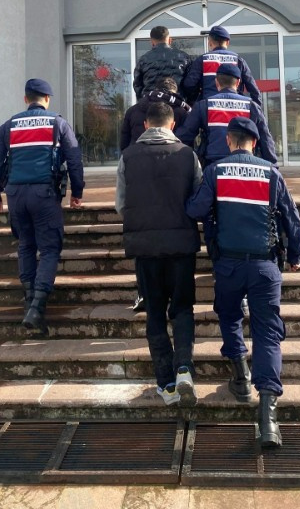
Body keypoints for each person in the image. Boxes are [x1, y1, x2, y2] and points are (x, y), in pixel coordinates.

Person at [186, 117, 300, 449]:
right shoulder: (271, 173)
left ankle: (240, 375)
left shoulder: (215, 171)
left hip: (228, 265)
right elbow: (291, 218)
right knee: (268, 332)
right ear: (254, 142)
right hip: (265, 266)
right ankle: (267, 418)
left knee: (229, 315)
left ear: (229, 141)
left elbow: (195, 209)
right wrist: (296, 254)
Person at [116, 101, 201, 406]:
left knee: (154, 312)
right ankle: (183, 369)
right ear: (173, 125)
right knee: (182, 309)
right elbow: (198, 199)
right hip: (181, 247)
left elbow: (121, 204)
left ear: (145, 125)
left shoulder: (128, 157)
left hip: (145, 248)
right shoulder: (188, 155)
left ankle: (165, 384)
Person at [0, 78, 84, 336]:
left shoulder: (8, 126)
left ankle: (30, 302)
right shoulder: (58, 123)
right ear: (47, 99)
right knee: (50, 249)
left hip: (16, 195)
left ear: (25, 99)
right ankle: (37, 307)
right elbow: (74, 159)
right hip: (45, 194)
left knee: (26, 245)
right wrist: (78, 192)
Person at [119, 76, 191, 313]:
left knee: (145, 256)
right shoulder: (182, 109)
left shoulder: (133, 110)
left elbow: (123, 143)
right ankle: (175, 306)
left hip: (138, 171)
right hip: (176, 180)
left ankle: (144, 296)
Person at [176, 63, 278, 168]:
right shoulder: (251, 106)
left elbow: (186, 134)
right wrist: (273, 166)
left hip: (213, 164)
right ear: (238, 82)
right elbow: (265, 138)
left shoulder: (204, 105)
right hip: (246, 164)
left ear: (216, 82)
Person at [180, 26, 261, 105]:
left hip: (209, 109)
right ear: (227, 42)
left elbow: (189, 84)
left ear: (210, 42)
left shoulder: (202, 60)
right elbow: (253, 89)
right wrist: (256, 110)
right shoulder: (238, 60)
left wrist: (197, 100)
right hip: (235, 107)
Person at [119, 77, 191, 152]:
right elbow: (186, 141)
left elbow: (124, 141)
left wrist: (128, 157)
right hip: (171, 157)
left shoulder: (132, 110)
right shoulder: (181, 112)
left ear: (156, 90)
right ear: (175, 93)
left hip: (137, 157)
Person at [134, 25, 191, 100]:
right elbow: (190, 84)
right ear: (170, 40)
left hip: (151, 103)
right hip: (176, 103)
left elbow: (137, 85)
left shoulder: (143, 59)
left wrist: (143, 100)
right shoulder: (184, 57)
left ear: (151, 42)